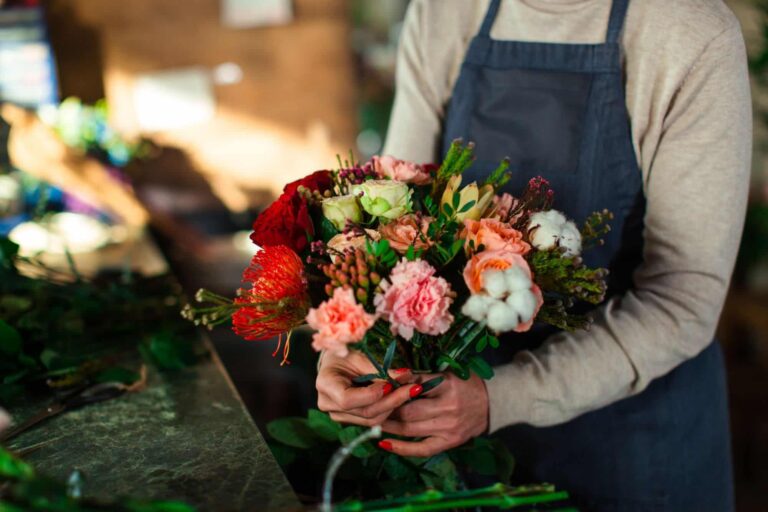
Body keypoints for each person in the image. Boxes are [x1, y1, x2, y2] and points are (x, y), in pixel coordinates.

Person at [316, 0, 751, 509]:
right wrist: (353, 347)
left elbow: (684, 296)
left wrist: (500, 398)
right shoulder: (443, 11)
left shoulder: (689, 32)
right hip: (458, 434)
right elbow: (394, 223)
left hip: (631, 444)